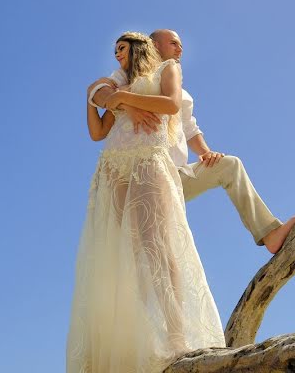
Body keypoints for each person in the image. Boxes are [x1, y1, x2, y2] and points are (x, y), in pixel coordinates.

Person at [67, 32, 225, 373]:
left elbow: (170, 105)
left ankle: (176, 332)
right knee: (126, 248)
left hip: (147, 161)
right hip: (114, 168)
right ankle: (141, 335)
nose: (116, 55)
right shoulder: (120, 84)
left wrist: (125, 100)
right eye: (114, 51)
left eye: (121, 49)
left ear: (139, 47)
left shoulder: (165, 70)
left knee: (158, 244)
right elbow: (97, 132)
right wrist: (101, 100)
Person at [90, 29, 295, 254]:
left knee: (230, 165)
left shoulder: (180, 90)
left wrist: (206, 152)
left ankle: (269, 233)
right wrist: (126, 103)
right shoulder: (130, 78)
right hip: (139, 176)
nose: (180, 49)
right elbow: (99, 93)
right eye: (174, 43)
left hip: (175, 174)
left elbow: (189, 129)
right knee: (153, 247)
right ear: (155, 45)